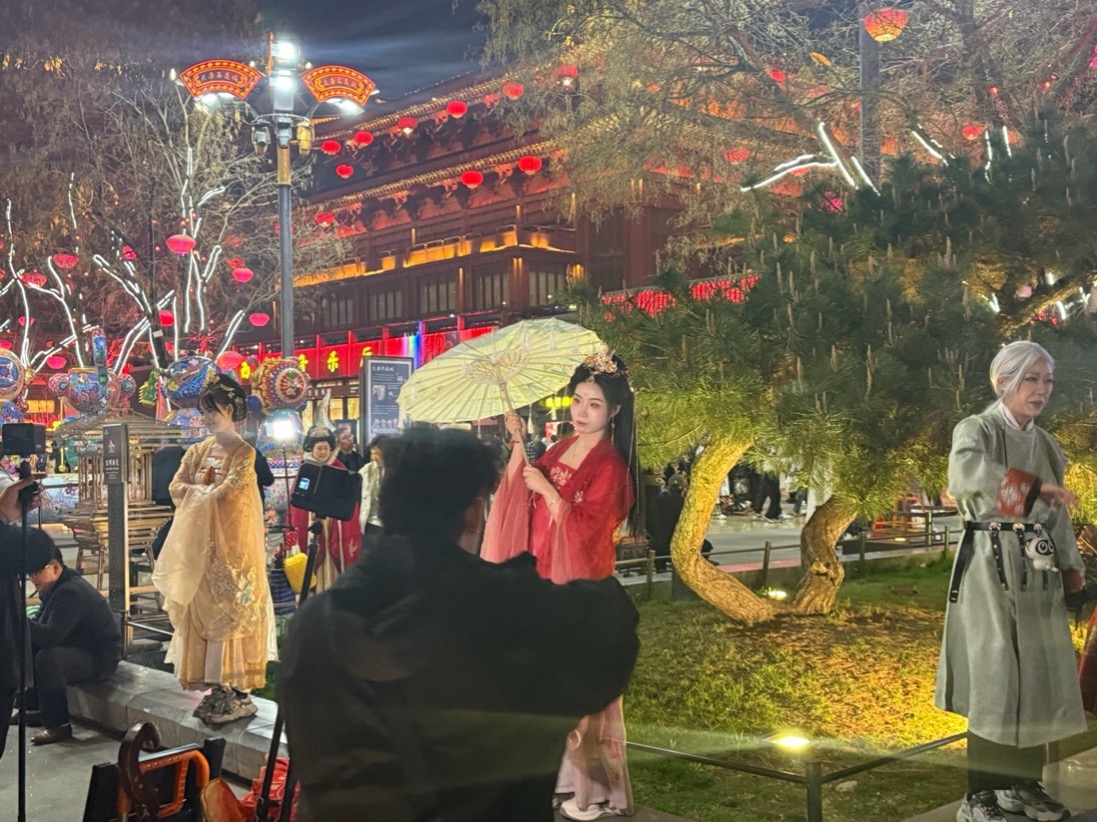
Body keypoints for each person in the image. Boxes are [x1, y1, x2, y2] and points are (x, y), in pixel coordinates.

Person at [278, 428, 639, 821]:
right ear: (473, 510)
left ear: (386, 504)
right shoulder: (518, 615)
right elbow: (612, 636)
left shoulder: (313, 625)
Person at [482, 348, 641, 821]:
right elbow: (522, 494)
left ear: (615, 410)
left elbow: (593, 528)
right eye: (577, 400)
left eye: (594, 404)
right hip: (541, 576)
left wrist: (551, 494)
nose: (582, 411)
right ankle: (555, 777)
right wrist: (518, 444)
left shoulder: (611, 465)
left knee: (576, 687)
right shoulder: (558, 448)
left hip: (577, 585)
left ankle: (593, 790)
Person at [936, 341, 1088, 823]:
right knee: (995, 674)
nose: (1042, 390)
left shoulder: (1046, 443)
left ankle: (1022, 786)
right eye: (1031, 379)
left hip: (1037, 571)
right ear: (1003, 382)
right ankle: (980, 795)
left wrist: (1071, 569)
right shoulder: (975, 430)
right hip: (989, 565)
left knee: (1037, 675)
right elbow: (965, 477)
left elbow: (1056, 517)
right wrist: (1032, 487)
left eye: (1047, 381)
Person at [152, 374, 275, 726]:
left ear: (230, 411)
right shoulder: (197, 451)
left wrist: (198, 490)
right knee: (202, 615)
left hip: (233, 553)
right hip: (200, 551)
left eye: (211, 411)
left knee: (230, 618)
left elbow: (230, 495)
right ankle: (217, 689)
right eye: (203, 411)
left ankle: (236, 691)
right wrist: (203, 490)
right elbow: (175, 487)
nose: (205, 418)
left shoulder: (245, 453)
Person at [1, 530, 122, 746]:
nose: (32, 578)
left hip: (99, 657)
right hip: (75, 647)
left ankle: (58, 724)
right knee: (30, 646)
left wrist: (17, 619)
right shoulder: (54, 588)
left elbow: (51, 636)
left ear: (55, 567)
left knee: (48, 658)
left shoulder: (71, 592)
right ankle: (32, 708)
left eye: (37, 572)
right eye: (30, 574)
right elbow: (39, 628)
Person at [289, 427, 362, 590]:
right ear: (311, 449)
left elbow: (348, 500)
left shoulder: (340, 469)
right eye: (319, 448)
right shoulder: (305, 470)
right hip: (311, 522)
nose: (323, 452)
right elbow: (297, 501)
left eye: (326, 448)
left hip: (333, 523)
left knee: (332, 558)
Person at [358, 435, 387, 544]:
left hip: (390, 524)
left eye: (377, 454)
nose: (374, 458)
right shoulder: (367, 470)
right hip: (370, 522)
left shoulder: (398, 470)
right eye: (372, 453)